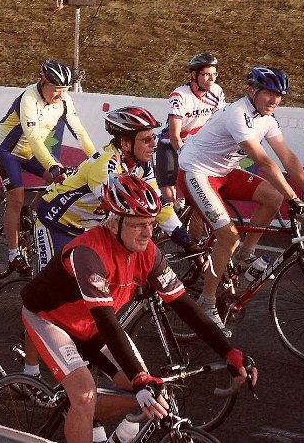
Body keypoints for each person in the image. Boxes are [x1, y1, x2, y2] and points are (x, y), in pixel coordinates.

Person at [21, 173, 256, 443]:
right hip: (50, 320)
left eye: (151, 224)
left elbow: (182, 304)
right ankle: (84, 411)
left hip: (90, 325)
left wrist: (228, 351)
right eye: (138, 225)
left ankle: (100, 426)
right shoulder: (88, 253)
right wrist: (139, 377)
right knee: (85, 395)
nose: (148, 233)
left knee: (151, 394)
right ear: (113, 223)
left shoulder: (148, 252)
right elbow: (107, 321)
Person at [177, 66, 304, 336]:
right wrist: (295, 199)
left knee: (272, 196)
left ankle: (245, 255)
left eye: (280, 96)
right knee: (228, 237)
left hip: (223, 173)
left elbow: (288, 158)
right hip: (196, 171)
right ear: (252, 91)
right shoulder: (237, 114)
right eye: (269, 94)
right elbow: (263, 161)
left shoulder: (266, 118)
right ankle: (206, 303)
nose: (275, 101)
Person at [36, 105, 203, 271]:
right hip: (56, 221)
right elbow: (119, 209)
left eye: (153, 137)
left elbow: (159, 204)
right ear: (125, 143)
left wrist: (186, 241)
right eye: (146, 140)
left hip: (87, 226)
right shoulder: (105, 165)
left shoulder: (142, 165)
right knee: (53, 281)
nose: (154, 144)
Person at [0, 60, 96, 275]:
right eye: (55, 90)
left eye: (63, 90)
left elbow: (79, 132)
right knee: (17, 197)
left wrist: (96, 159)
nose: (59, 95)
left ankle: (35, 216)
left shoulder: (65, 101)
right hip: (5, 150)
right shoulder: (29, 98)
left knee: (60, 181)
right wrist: (52, 165)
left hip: (30, 153)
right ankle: (13, 254)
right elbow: (34, 137)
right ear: (42, 82)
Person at [155, 52, 226, 206]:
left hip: (197, 144)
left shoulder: (216, 91)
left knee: (201, 195)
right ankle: (171, 216)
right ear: (194, 75)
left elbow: (221, 123)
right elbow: (174, 136)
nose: (212, 79)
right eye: (206, 75)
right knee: (168, 192)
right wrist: (186, 157)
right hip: (171, 144)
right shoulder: (180, 96)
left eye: (214, 74)